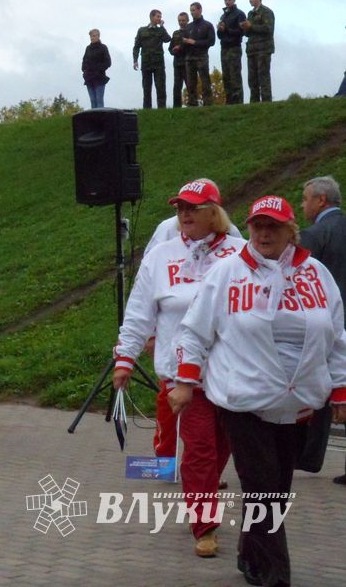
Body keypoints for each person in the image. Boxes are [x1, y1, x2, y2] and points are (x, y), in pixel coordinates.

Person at [172, 195, 346, 586]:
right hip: (243, 400)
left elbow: (336, 337)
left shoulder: (316, 273)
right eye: (257, 226)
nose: (264, 233)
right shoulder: (226, 274)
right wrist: (185, 382)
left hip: (297, 404)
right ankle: (276, 576)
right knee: (263, 490)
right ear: (248, 227)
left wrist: (340, 390)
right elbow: (194, 331)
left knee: (275, 493)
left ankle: (250, 558)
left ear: (290, 230)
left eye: (273, 226)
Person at [113, 179, 246, 557]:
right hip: (183, 376)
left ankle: (203, 493)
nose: (184, 215)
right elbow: (139, 311)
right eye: (180, 208)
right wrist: (125, 357)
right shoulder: (161, 256)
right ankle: (204, 526)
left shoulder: (240, 253)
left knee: (225, 445)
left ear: (214, 213)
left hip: (235, 372)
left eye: (194, 208)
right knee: (200, 447)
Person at [299, 176, 346, 485]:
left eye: (304, 199)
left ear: (321, 201)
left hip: (328, 322)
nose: (302, 205)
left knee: (317, 387)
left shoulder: (315, 235)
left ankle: (307, 456)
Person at [144, 210, 243, 256]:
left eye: (193, 207)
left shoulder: (230, 230)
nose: (186, 213)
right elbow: (148, 263)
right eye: (181, 207)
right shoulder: (167, 227)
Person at [132, 10, 171, 109]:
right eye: (158, 16)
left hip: (158, 63)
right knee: (146, 88)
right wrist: (135, 60)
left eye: (160, 16)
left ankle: (162, 110)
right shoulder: (142, 30)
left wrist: (162, 27)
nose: (160, 18)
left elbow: (167, 39)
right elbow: (136, 46)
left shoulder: (160, 30)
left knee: (161, 87)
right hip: (146, 63)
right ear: (152, 17)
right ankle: (147, 110)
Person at [242, 0, 275, 103]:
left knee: (263, 77)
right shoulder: (250, 13)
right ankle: (254, 103)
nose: (250, 0)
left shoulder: (266, 12)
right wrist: (245, 28)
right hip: (251, 50)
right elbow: (247, 33)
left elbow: (268, 29)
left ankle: (266, 102)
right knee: (252, 79)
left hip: (263, 49)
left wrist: (252, 26)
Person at [183, 2, 216, 106]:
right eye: (191, 10)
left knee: (205, 81)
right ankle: (192, 103)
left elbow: (211, 41)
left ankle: (208, 103)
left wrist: (195, 42)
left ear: (200, 10)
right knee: (190, 83)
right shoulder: (188, 27)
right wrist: (182, 43)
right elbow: (184, 42)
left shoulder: (207, 25)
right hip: (189, 57)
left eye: (193, 10)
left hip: (201, 57)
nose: (192, 12)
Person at [217, 0, 247, 104]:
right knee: (226, 76)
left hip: (234, 47)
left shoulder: (239, 14)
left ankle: (238, 102)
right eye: (226, 0)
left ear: (234, 0)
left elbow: (241, 32)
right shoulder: (223, 15)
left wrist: (227, 29)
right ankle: (229, 102)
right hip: (224, 48)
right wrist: (220, 29)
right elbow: (219, 35)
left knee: (235, 76)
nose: (227, 2)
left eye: (229, 0)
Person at [81, 29, 111, 109]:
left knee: (99, 101)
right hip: (89, 78)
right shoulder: (88, 49)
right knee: (93, 101)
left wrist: (98, 69)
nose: (92, 38)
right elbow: (84, 61)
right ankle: (93, 120)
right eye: (91, 36)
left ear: (98, 36)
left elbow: (108, 62)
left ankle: (101, 120)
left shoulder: (103, 48)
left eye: (94, 36)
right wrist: (84, 72)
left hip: (99, 78)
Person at [169, 12, 190, 108]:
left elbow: (191, 45)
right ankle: (176, 107)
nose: (181, 22)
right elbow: (170, 48)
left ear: (187, 20)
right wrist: (174, 51)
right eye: (179, 21)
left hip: (188, 62)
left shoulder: (190, 31)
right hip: (177, 63)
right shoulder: (176, 33)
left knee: (190, 85)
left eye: (183, 20)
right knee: (177, 86)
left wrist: (180, 48)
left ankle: (192, 105)